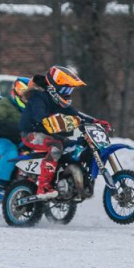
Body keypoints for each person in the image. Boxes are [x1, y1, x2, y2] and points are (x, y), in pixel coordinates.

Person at [20, 65, 108, 199]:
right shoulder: (38, 98)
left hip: (49, 135)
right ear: (53, 87)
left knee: (73, 147)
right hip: (31, 134)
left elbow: (75, 114)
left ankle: (66, 180)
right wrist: (64, 122)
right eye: (65, 89)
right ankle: (43, 187)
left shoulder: (56, 101)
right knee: (56, 147)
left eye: (70, 89)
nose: (67, 93)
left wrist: (95, 121)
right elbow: (40, 117)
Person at [0, 77, 30, 199]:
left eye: (29, 93)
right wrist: (13, 127)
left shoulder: (33, 109)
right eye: (22, 90)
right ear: (15, 90)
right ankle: (0, 185)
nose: (25, 95)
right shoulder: (6, 104)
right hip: (3, 139)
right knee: (11, 153)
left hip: (25, 140)